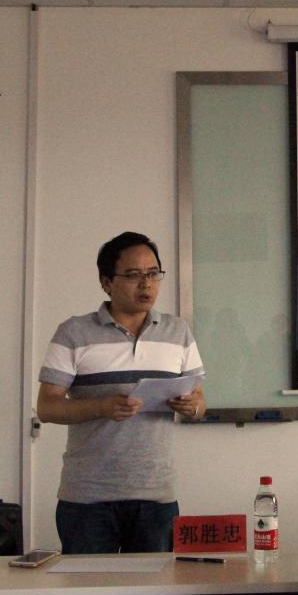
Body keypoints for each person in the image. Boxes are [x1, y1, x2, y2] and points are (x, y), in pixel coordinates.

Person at [36, 231, 206, 554]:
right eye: (133, 275)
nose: (146, 284)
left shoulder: (178, 332)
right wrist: (100, 407)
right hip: (87, 498)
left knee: (155, 586)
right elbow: (47, 407)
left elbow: (200, 401)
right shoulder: (74, 333)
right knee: (89, 587)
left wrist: (192, 407)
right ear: (107, 282)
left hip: (156, 496)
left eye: (153, 274)